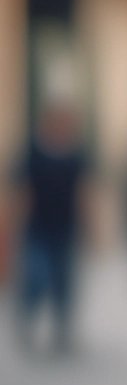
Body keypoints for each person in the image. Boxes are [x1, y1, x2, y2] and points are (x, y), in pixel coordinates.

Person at [14, 100, 89, 354]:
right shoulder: (33, 153)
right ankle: (27, 319)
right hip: (38, 228)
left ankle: (62, 332)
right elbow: (22, 191)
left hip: (65, 228)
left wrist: (89, 224)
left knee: (64, 283)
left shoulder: (75, 155)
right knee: (36, 277)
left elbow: (82, 192)